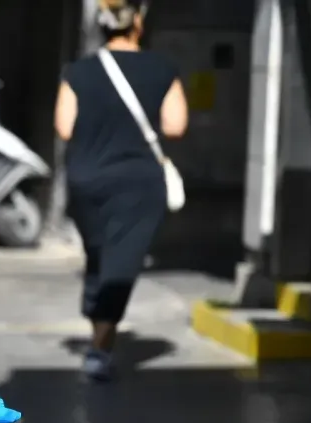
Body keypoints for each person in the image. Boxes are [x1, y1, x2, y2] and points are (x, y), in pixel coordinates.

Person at [54, 0, 188, 381]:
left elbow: (65, 128)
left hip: (86, 179)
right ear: (138, 24)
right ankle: (100, 346)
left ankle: (98, 322)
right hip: (137, 182)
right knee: (121, 261)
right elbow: (176, 126)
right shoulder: (163, 69)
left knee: (99, 253)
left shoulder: (78, 71)